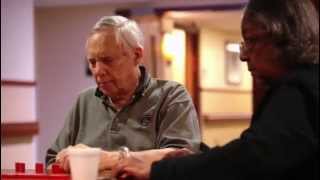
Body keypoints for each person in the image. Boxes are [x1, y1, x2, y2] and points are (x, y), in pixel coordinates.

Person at [112, 0, 319, 179]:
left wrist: (161, 170)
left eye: (253, 40)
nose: (243, 56)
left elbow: (251, 159)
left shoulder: (300, 89)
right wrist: (198, 161)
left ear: (284, 37)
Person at [45, 15, 201, 171]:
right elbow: (52, 161)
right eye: (92, 62)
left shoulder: (171, 96)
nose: (98, 71)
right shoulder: (84, 101)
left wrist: (110, 159)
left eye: (107, 60)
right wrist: (65, 162)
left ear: (137, 55)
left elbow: (183, 160)